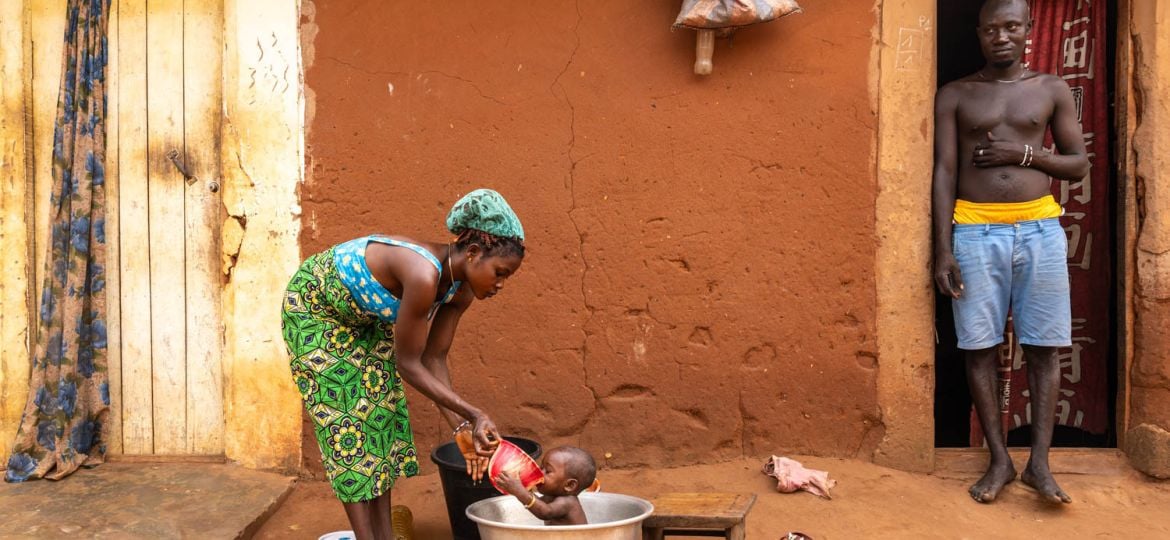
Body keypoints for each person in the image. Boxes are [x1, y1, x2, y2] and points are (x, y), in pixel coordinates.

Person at [282, 188, 526, 539]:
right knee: (347, 423)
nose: (501, 284)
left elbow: (434, 358)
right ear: (473, 253)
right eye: (500, 272)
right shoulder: (423, 274)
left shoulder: (461, 289)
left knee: (379, 415)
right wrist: (474, 414)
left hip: (364, 319)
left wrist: (460, 429)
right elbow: (408, 364)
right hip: (315, 310)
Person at [932, 0, 1089, 505]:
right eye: (991, 29)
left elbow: (1078, 164)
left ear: (1028, 30)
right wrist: (942, 249)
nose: (1001, 36)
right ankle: (1000, 460)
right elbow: (944, 172)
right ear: (978, 34)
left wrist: (1022, 154)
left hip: (1038, 228)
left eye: (1011, 27)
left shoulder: (1050, 89)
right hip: (974, 232)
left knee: (1044, 346)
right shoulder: (956, 94)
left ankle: (1039, 463)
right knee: (978, 345)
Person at [496, 446, 597, 526]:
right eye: (541, 467)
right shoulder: (551, 496)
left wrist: (520, 492)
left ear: (569, 485)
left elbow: (544, 512)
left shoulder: (567, 502)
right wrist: (523, 488)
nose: (540, 472)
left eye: (548, 471)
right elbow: (537, 504)